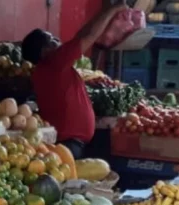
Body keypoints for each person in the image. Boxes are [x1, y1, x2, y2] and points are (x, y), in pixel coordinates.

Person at [22, 3, 128, 158]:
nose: (57, 39)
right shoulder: (55, 62)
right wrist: (113, 10)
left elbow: (80, 36)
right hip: (69, 144)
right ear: (45, 51)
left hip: (71, 142)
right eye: (51, 39)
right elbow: (89, 37)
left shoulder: (45, 69)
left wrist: (103, 12)